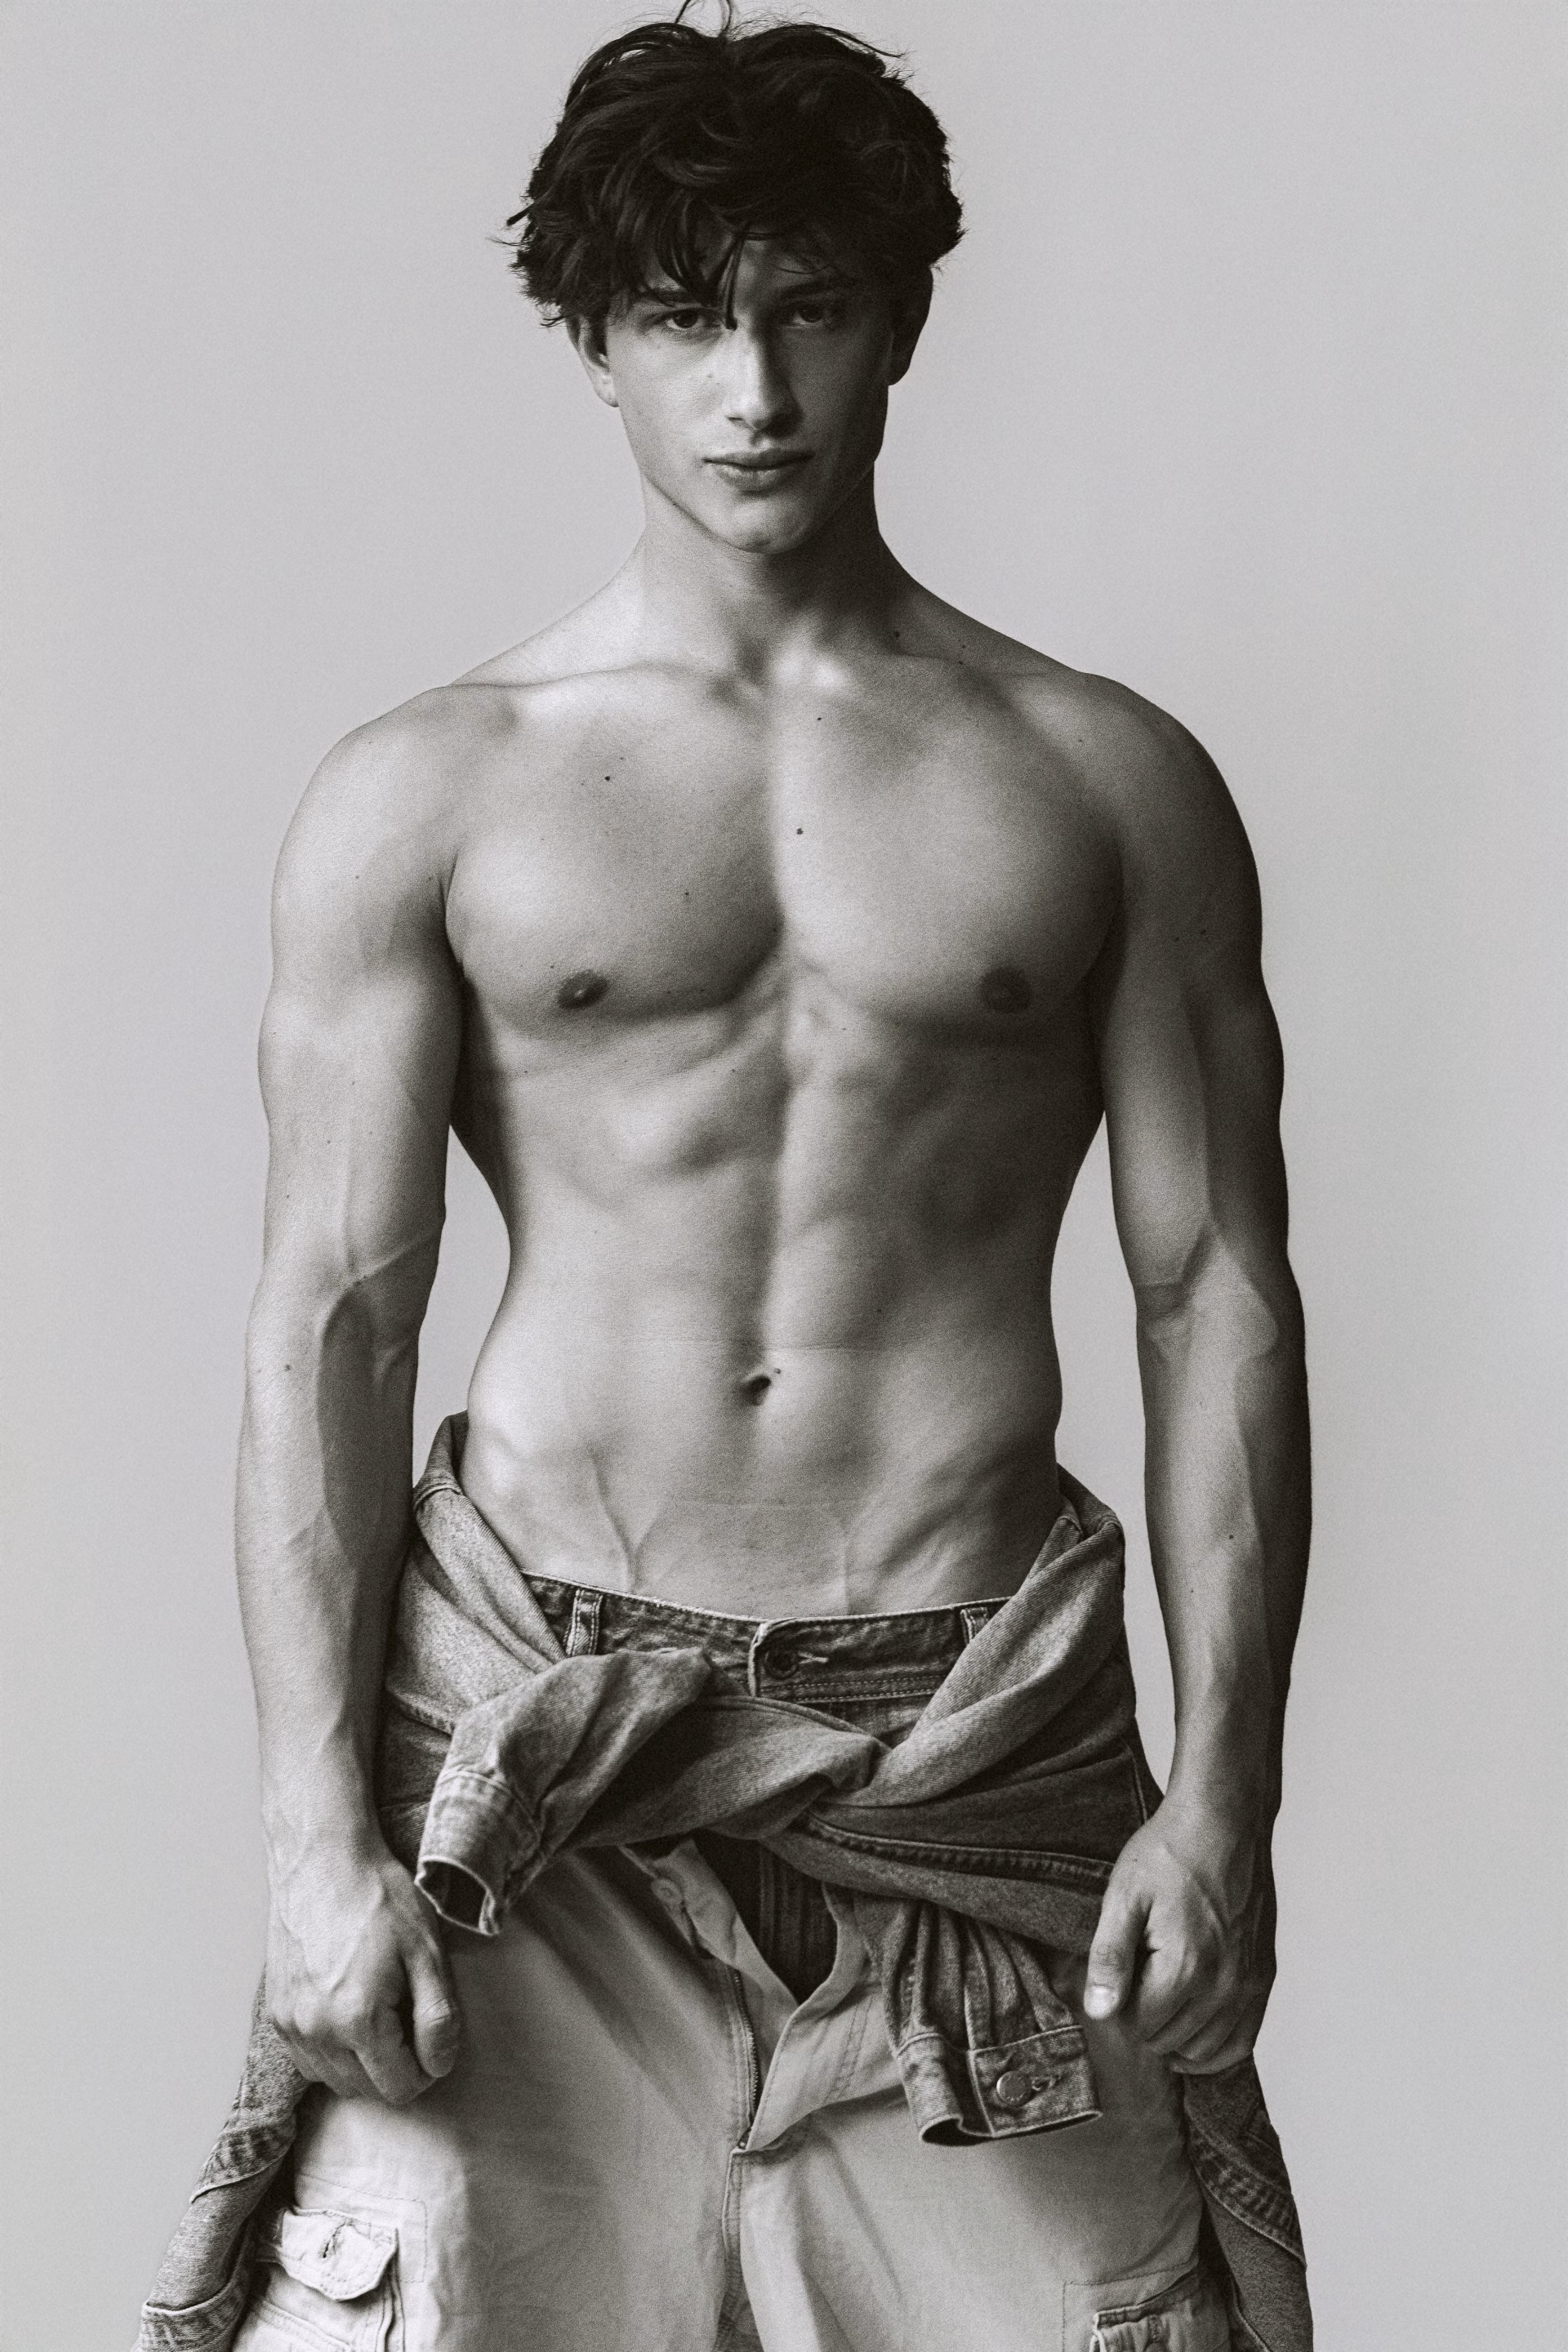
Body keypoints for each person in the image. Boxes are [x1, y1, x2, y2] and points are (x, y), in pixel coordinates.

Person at [141, 16, 1312, 2351]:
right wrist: (307, 1836)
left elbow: (1216, 1292)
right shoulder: (432, 790)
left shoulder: (1101, 780)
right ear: (593, 339)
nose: (754, 389)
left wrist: (1224, 1804)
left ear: (903, 323)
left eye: (812, 308)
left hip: (968, 1749)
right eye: (683, 318)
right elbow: (334, 1320)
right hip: (523, 1752)